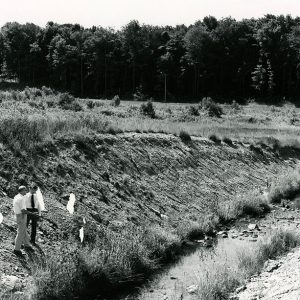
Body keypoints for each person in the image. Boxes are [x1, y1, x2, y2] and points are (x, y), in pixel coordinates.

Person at [13, 186, 37, 255]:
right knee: (20, 233)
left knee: (24, 231)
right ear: (22, 190)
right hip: (21, 216)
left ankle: (27, 245)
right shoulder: (21, 199)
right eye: (25, 190)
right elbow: (23, 210)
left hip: (18, 215)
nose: (26, 192)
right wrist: (32, 213)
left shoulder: (16, 196)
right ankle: (16, 249)